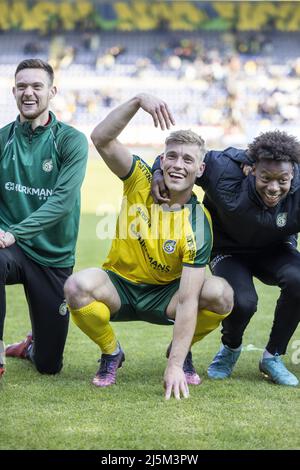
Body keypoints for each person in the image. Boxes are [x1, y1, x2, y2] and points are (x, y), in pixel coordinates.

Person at [64, 93, 233, 400]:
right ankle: (111, 352)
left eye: (187, 159)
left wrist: (175, 365)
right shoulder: (140, 178)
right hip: (119, 286)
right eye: (172, 156)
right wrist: (138, 101)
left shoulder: (198, 223)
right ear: (162, 159)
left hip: (166, 296)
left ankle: (181, 350)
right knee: (76, 286)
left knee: (221, 294)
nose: (178, 165)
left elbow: (187, 300)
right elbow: (101, 139)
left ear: (200, 170)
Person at [152, 130, 300, 386]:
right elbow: (177, 158)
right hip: (228, 249)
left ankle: (273, 356)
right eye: (265, 178)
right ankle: (230, 348)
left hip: (276, 247)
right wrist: (157, 173)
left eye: (282, 180)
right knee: (243, 301)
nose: (274, 188)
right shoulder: (223, 172)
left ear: (294, 175)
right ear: (251, 169)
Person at [0, 59, 88, 378]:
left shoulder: (70, 140)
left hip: (52, 256)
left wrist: (14, 233)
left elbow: (62, 202)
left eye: (37, 86)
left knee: (49, 366)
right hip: (11, 249)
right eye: (22, 86)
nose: (29, 93)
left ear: (51, 91)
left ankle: (32, 345)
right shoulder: (3, 138)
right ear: (13, 91)